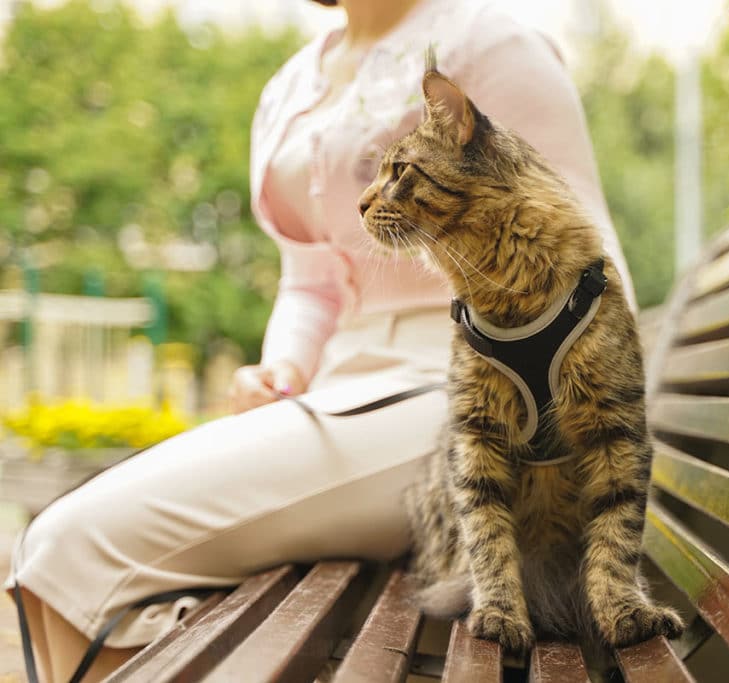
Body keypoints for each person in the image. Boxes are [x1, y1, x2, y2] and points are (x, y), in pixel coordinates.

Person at [6, 0, 635, 680]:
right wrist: (283, 367)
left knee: (72, 549)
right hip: (339, 398)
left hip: (456, 391)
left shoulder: (485, 43)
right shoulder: (291, 86)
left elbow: (590, 266)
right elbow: (310, 279)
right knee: (49, 575)